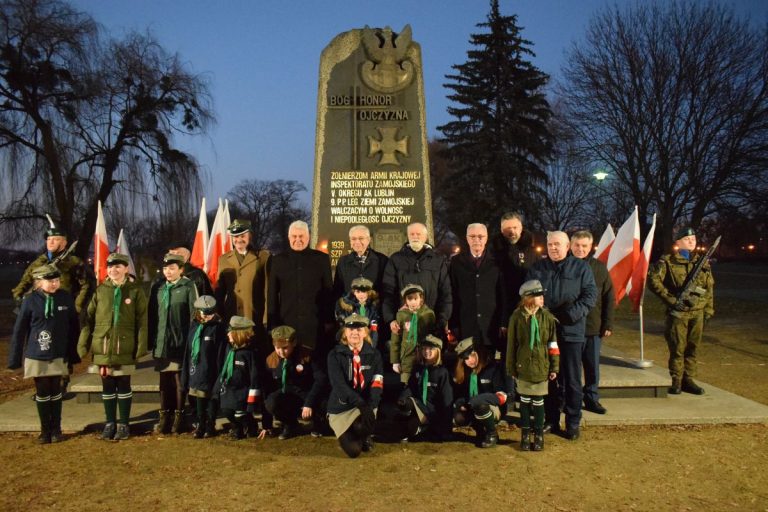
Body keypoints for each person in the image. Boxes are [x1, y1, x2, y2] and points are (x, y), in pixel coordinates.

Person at [529, 231, 596, 440]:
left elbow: (590, 295)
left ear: (568, 246)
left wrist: (572, 315)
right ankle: (551, 418)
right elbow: (527, 293)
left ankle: (573, 421)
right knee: (549, 377)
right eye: (550, 245)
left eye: (557, 244)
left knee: (572, 379)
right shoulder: (538, 268)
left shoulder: (581, 267)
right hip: (545, 331)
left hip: (571, 331)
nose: (553, 248)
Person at [77, 253, 148, 441]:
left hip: (124, 345)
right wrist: (83, 343)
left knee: (123, 384)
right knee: (107, 384)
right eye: (110, 267)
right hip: (103, 345)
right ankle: (110, 422)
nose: (113, 270)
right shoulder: (101, 291)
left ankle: (123, 423)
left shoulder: (135, 291)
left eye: (118, 267)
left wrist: (141, 345)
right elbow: (88, 319)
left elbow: (142, 320)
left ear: (126, 269)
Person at [8, 265, 79, 443]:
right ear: (39, 282)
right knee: (42, 391)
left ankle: (56, 429)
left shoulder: (65, 297)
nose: (55, 284)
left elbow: (73, 327)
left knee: (56, 390)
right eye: (50, 281)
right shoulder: (30, 300)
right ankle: (44, 431)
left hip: (58, 352)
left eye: (56, 280)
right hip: (37, 353)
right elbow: (20, 330)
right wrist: (15, 359)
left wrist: (73, 354)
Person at [648, 227, 715, 395]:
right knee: (678, 348)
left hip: (697, 312)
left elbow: (709, 288)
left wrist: (708, 310)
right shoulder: (668, 261)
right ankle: (676, 380)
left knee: (693, 348)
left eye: (693, 238)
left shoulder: (703, 262)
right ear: (678, 242)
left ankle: (688, 380)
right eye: (687, 238)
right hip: (678, 314)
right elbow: (653, 281)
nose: (691, 241)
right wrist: (671, 300)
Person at [506, 280, 559, 451]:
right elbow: (511, 345)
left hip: (541, 366)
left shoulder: (547, 317)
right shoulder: (517, 317)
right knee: (525, 401)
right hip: (524, 366)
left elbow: (553, 344)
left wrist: (554, 367)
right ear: (528, 298)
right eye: (538, 296)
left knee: (538, 402)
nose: (542, 299)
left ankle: (539, 435)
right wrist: (512, 368)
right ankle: (525, 435)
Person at [148, 253, 197, 434]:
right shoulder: (158, 288)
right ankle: (164, 416)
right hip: (162, 341)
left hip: (179, 341)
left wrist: (191, 340)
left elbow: (194, 314)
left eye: (172, 268)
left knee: (178, 380)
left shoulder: (188, 287)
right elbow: (152, 316)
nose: (168, 272)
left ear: (181, 269)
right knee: (164, 380)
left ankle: (179, 416)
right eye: (165, 268)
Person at [268, 220, 334, 354]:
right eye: (294, 236)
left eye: (301, 236)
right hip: (286, 322)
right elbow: (272, 295)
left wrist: (329, 320)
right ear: (288, 238)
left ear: (308, 237)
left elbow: (328, 291)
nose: (298, 240)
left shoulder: (321, 259)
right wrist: (272, 323)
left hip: (315, 324)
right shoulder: (278, 260)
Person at [326, 314, 384, 458]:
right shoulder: (334, 355)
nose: (354, 332)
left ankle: (363, 434)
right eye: (350, 329)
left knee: (364, 424)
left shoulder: (374, 354)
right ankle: (350, 433)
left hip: (365, 404)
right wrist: (360, 403)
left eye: (359, 329)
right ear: (345, 332)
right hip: (342, 407)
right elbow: (338, 385)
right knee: (353, 452)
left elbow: (377, 382)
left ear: (365, 332)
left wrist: (371, 405)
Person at [570, 230, 614, 414]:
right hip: (570, 328)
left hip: (593, 327)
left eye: (584, 246)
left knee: (592, 367)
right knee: (571, 369)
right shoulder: (564, 265)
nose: (580, 249)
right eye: (577, 245)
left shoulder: (599, 268)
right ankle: (570, 400)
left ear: (591, 246)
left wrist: (608, 323)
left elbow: (609, 296)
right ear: (571, 246)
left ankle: (591, 399)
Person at [381, 222, 452, 333]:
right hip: (403, 324)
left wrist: (442, 320)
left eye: (418, 234)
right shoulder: (396, 259)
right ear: (408, 236)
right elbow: (388, 292)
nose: (415, 237)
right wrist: (390, 319)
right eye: (412, 234)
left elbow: (446, 293)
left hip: (432, 323)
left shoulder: (437, 260)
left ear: (425, 237)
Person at [449, 223, 508, 355]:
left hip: (491, 325)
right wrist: (453, 324)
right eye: (473, 236)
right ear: (467, 238)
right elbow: (452, 293)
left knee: (489, 370)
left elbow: (503, 295)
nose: (477, 240)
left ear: (486, 238)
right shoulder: (456, 262)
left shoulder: (498, 262)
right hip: (466, 325)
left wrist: (503, 322)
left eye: (480, 237)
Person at [262, 325, 327, 439]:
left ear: (294, 343)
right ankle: (290, 424)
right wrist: (266, 425)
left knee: (324, 401)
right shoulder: (271, 360)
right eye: (277, 348)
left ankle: (319, 422)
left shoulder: (307, 356)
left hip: (308, 394)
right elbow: (267, 389)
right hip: (289, 396)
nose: (281, 351)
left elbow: (320, 380)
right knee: (271, 402)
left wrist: (309, 403)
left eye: (285, 347)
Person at [12, 221, 92, 314]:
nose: (51, 242)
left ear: (64, 242)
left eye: (56, 239)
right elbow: (24, 281)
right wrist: (18, 297)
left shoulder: (74, 262)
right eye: (49, 239)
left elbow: (87, 286)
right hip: (39, 310)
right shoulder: (39, 262)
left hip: (63, 310)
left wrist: (76, 307)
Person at [216, 219, 270, 353]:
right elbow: (219, 291)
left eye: (242, 236)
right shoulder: (223, 259)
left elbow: (268, 289)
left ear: (250, 236)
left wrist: (266, 319)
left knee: (255, 356)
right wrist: (219, 315)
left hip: (254, 316)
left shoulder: (263, 257)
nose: (239, 240)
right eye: (235, 236)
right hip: (232, 317)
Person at [181, 295, 226, 439]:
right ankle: (200, 424)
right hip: (196, 370)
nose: (206, 316)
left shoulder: (218, 328)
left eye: (209, 313)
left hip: (211, 371)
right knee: (198, 399)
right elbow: (188, 351)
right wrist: (186, 373)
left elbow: (220, 353)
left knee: (211, 399)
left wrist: (219, 374)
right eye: (203, 313)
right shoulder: (194, 326)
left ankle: (210, 425)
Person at [452, 337, 508, 448]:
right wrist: (461, 403)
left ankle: (492, 433)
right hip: (471, 405)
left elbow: (502, 395)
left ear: (478, 352)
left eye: (472, 356)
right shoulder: (465, 372)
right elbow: (461, 395)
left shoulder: (492, 368)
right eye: (465, 359)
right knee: (458, 416)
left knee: (480, 405)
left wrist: (479, 399)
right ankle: (480, 431)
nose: (469, 361)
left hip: (493, 406)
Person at [396, 335, 453, 442]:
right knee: (405, 404)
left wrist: (447, 428)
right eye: (424, 348)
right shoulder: (418, 368)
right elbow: (411, 387)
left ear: (438, 351)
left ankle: (428, 428)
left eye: (431, 349)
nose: (427, 351)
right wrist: (402, 397)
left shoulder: (442, 372)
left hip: (434, 412)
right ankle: (414, 429)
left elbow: (447, 399)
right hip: (420, 407)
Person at [216, 316, 262, 440]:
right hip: (229, 390)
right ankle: (237, 427)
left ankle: (249, 426)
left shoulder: (249, 354)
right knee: (226, 411)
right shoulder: (229, 350)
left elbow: (254, 377)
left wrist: (252, 402)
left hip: (242, 392)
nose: (228, 334)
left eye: (231, 332)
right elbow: (223, 370)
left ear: (239, 334)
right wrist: (217, 388)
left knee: (240, 414)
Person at [389, 284, 436, 384]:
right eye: (409, 299)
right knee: (406, 384)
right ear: (405, 300)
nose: (413, 302)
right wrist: (395, 361)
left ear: (421, 298)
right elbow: (395, 339)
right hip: (407, 358)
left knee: (424, 383)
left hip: (424, 356)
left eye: (415, 298)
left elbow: (434, 337)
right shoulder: (401, 315)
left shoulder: (428, 314)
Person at [490, 212, 537, 307]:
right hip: (500, 307)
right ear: (502, 230)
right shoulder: (492, 252)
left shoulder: (532, 252)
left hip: (526, 307)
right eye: (508, 228)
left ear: (521, 228)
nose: (512, 232)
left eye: (515, 227)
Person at [332, 225, 388, 299]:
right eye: (353, 239)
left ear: (369, 240)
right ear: (350, 241)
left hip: (374, 308)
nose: (357, 242)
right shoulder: (343, 261)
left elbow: (387, 290)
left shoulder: (382, 260)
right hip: (350, 308)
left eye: (361, 238)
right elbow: (338, 290)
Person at [334, 277, 381, 347]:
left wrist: (372, 344)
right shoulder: (349, 307)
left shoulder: (372, 308)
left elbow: (374, 326)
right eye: (358, 292)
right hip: (351, 338)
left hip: (367, 338)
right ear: (354, 292)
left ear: (369, 293)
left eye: (364, 292)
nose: (361, 295)